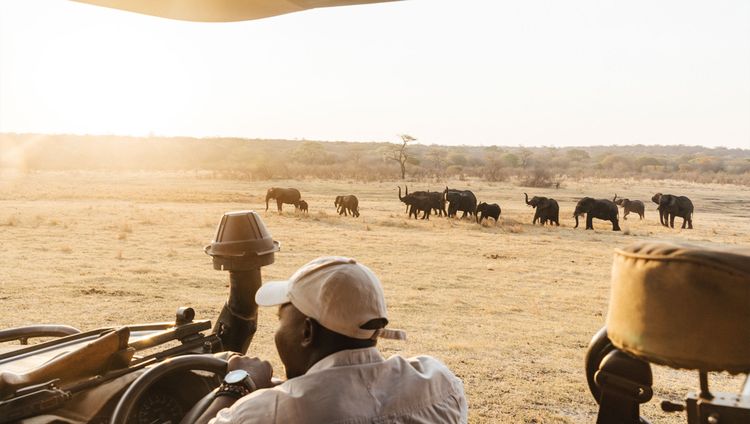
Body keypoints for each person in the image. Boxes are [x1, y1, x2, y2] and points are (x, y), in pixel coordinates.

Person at [197, 256, 468, 424]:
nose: (278, 332)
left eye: (282, 320)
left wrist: (236, 386)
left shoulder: (270, 413)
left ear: (307, 332)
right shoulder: (441, 383)